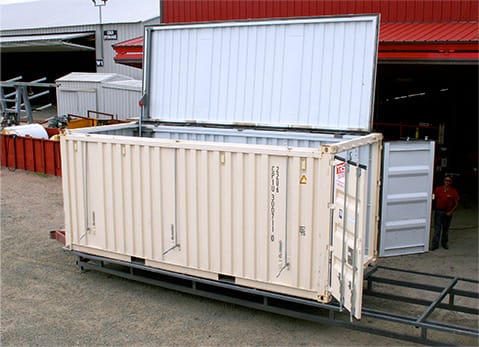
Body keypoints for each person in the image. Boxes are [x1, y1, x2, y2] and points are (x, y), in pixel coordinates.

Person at [432, 175, 460, 250]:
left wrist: (451, 212)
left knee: (445, 229)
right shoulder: (438, 189)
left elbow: (456, 204)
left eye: (448, 181)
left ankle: (444, 243)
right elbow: (433, 197)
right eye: (445, 180)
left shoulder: (453, 191)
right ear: (443, 181)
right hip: (438, 211)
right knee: (437, 229)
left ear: (451, 182)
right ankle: (435, 244)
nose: (447, 182)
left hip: (447, 212)